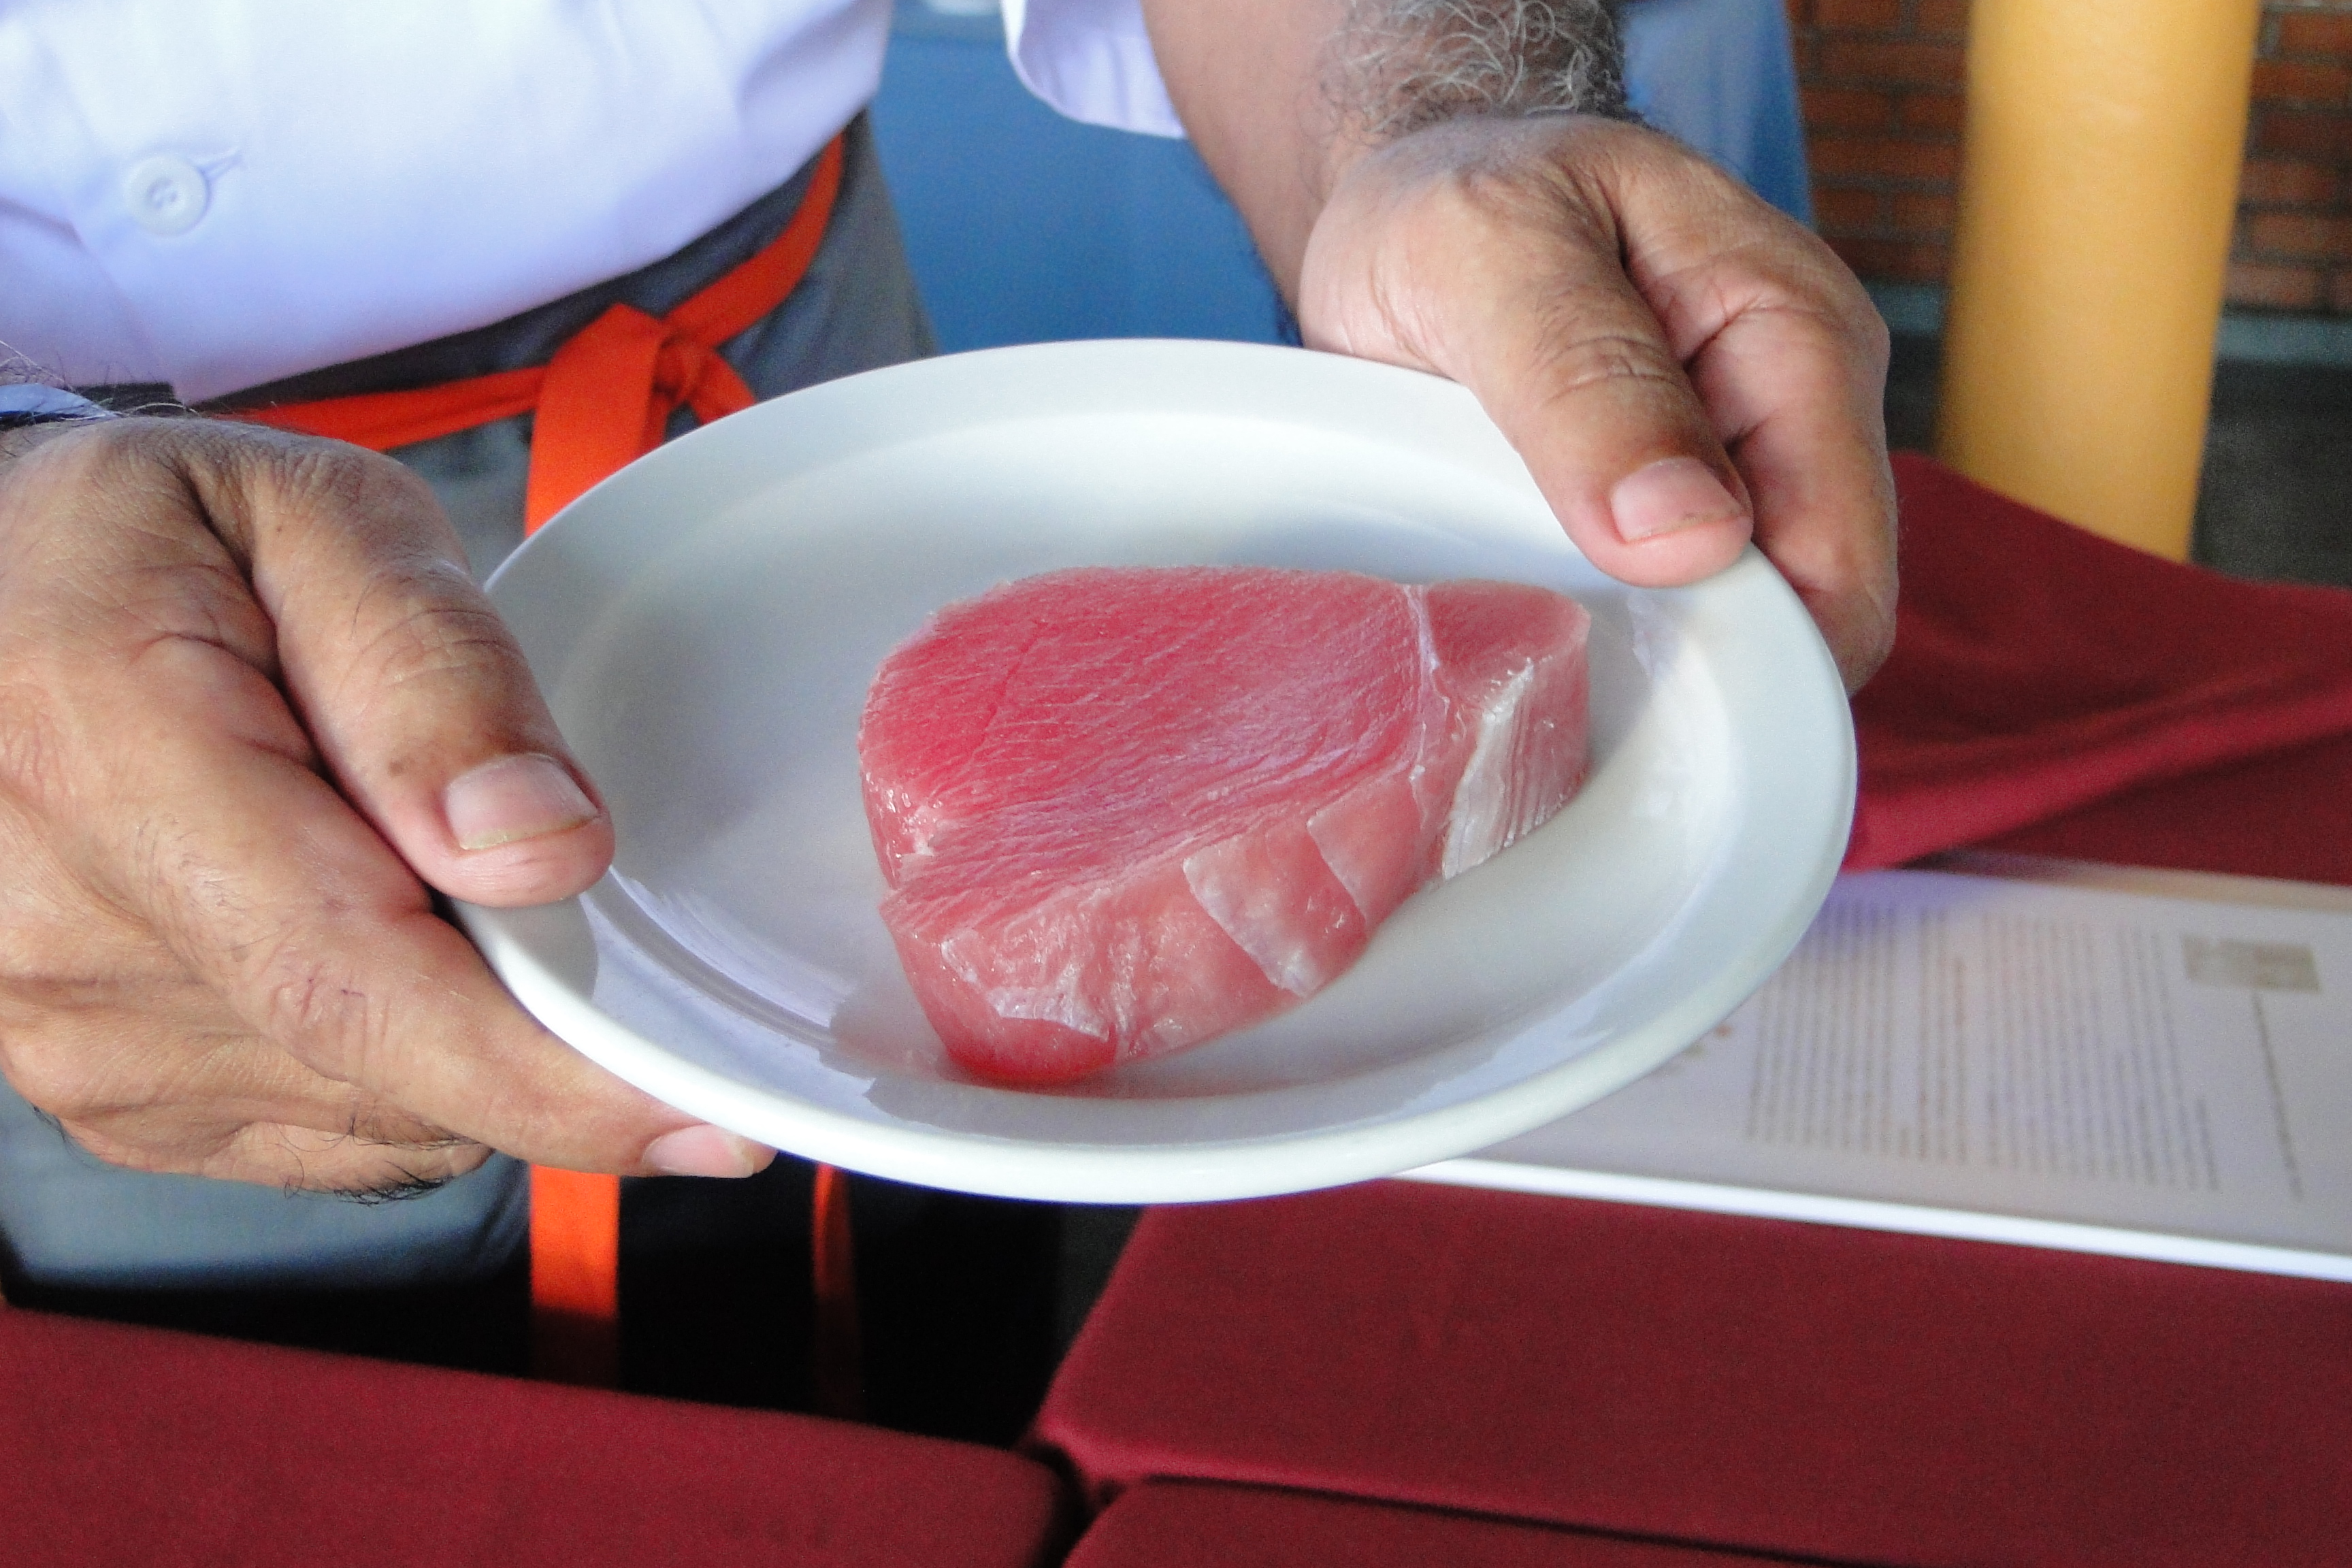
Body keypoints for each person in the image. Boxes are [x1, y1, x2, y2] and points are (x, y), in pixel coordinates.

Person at [0, 0, 1893, 1355]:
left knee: (909, 1284)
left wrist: (1429, 114)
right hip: (47, 600)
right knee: (251, 1385)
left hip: (782, 415)